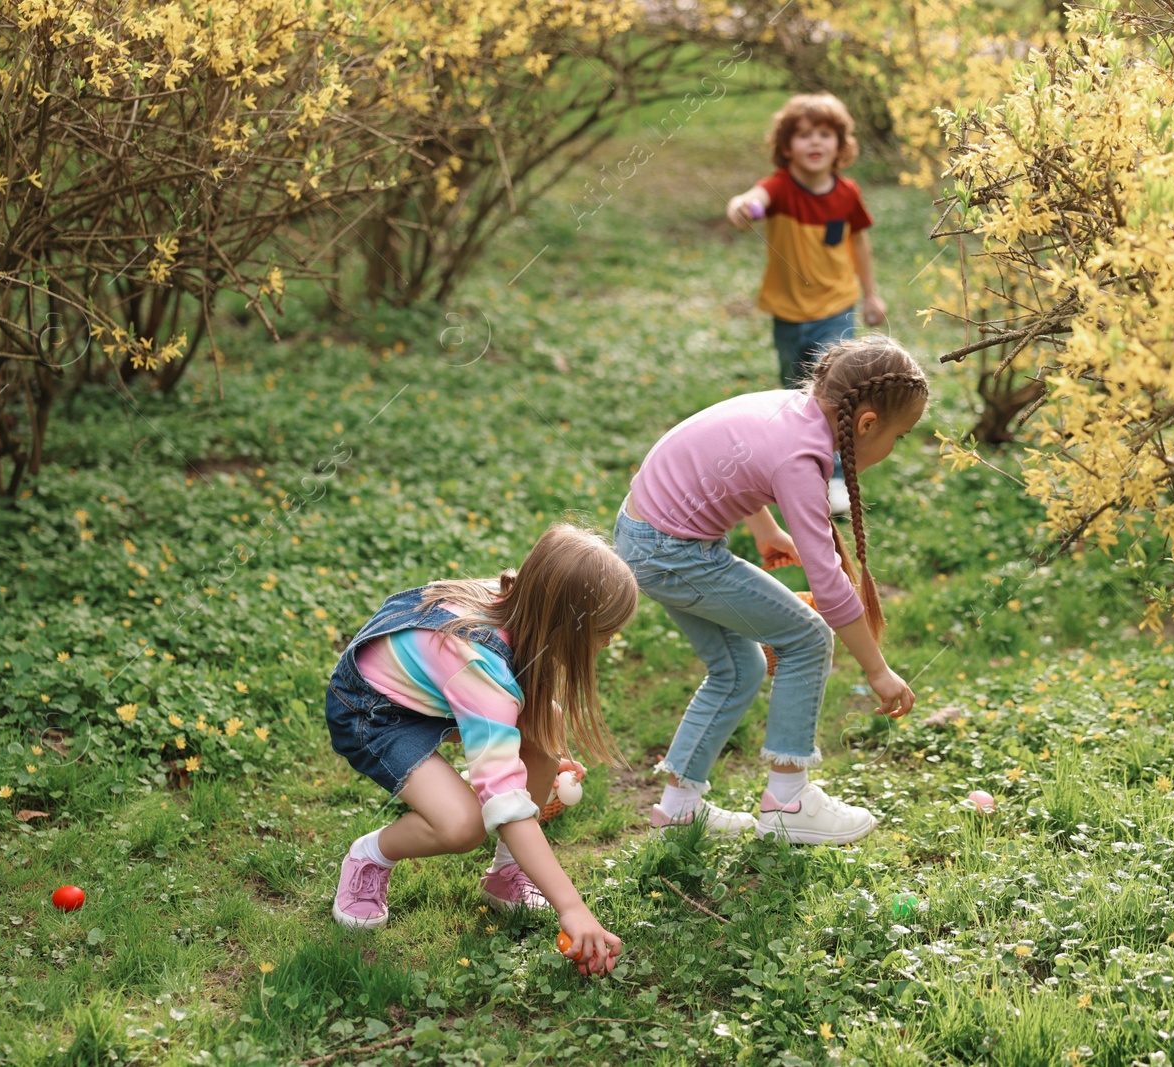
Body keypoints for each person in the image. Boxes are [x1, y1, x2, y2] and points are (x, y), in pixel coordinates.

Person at [614, 336, 924, 845]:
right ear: (867, 424)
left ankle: (679, 810)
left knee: (739, 668)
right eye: (901, 436)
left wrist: (765, 530)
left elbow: (731, 458)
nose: (896, 447)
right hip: (672, 553)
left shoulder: (786, 409)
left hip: (642, 535)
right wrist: (878, 670)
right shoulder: (801, 460)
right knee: (807, 638)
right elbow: (829, 586)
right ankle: (789, 802)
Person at [324, 524, 634, 975]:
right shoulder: (480, 668)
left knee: (545, 725)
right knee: (463, 825)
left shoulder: (526, 604)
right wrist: (572, 907)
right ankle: (371, 855)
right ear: (567, 626)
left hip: (433, 689)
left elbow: (520, 710)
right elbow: (505, 806)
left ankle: (507, 877)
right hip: (374, 711)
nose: (609, 643)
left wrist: (536, 761)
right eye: (604, 633)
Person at [725, 92, 887, 517]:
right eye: (803, 135)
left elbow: (859, 242)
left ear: (839, 144)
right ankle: (797, 467)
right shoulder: (778, 189)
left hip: (834, 308)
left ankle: (834, 476)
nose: (815, 143)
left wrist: (871, 294)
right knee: (795, 393)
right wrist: (743, 208)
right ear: (786, 146)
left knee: (835, 392)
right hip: (788, 314)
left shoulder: (847, 193)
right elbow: (749, 200)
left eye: (824, 134)